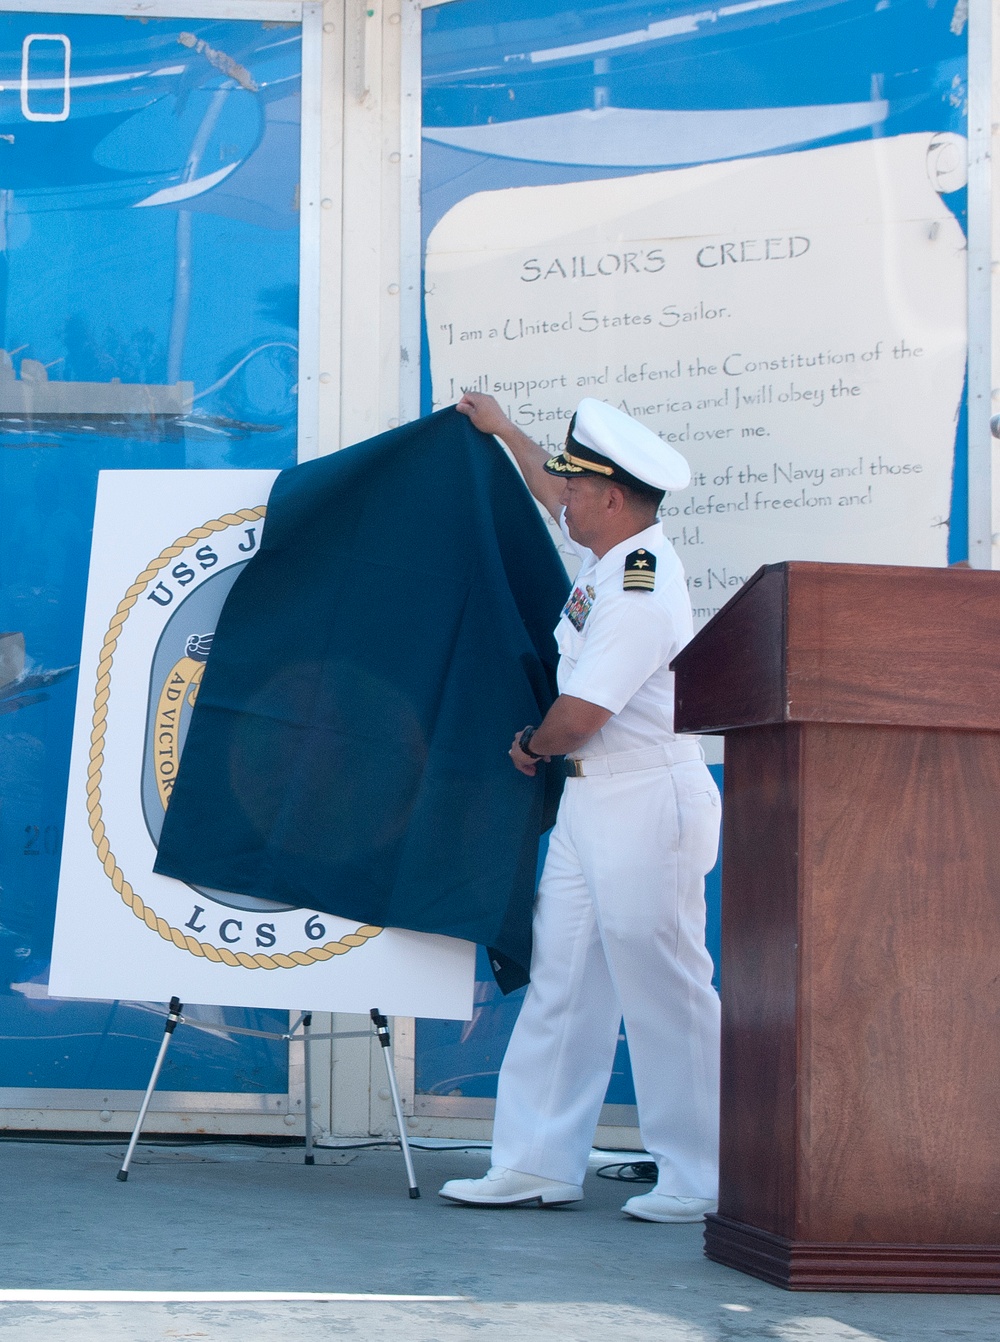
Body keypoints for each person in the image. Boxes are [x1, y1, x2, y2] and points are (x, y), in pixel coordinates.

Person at [438, 393, 722, 1223]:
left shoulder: (640, 586)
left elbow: (584, 714)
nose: (559, 495)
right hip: (594, 804)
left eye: (574, 486)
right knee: (564, 981)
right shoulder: (610, 553)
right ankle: (535, 1164)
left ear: (611, 497)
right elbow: (543, 481)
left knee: (665, 989)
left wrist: (530, 747)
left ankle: (698, 1177)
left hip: (643, 796)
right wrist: (504, 431)